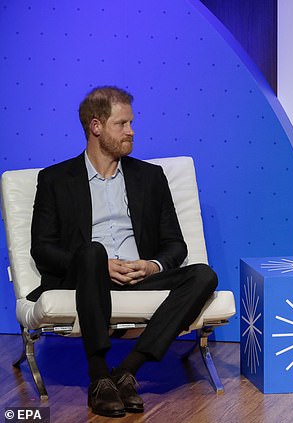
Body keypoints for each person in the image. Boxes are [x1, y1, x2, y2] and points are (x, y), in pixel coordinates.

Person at [28, 86, 218, 417]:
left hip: (137, 275)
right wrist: (100, 265)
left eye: (131, 123)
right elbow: (41, 249)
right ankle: (99, 376)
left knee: (204, 275)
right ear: (96, 126)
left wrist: (151, 265)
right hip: (85, 276)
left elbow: (176, 244)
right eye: (123, 124)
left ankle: (128, 370)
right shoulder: (55, 180)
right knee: (92, 253)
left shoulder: (150, 177)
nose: (131, 131)